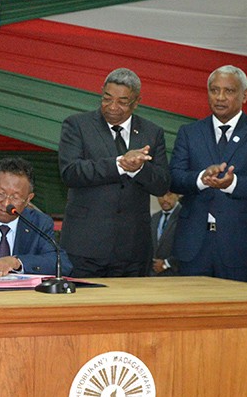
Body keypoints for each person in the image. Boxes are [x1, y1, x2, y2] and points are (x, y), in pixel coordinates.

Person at [168, 66, 247, 282]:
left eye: (229, 91)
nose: (220, 97)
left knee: (237, 314)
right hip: (193, 245)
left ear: (244, 95)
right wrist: (201, 179)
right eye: (214, 90)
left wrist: (233, 184)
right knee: (193, 312)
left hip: (239, 246)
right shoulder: (189, 132)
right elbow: (173, 179)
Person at [58, 68, 170, 278]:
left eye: (122, 102)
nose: (112, 107)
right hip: (85, 247)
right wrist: (119, 164)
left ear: (136, 102)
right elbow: (70, 172)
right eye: (107, 99)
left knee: (129, 309)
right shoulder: (77, 125)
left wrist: (140, 169)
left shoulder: (152, 133)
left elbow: (162, 184)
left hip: (133, 250)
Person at [150, 192, 181, 276]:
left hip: (176, 274)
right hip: (153, 274)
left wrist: (166, 264)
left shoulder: (184, 216)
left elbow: (187, 247)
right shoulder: (154, 217)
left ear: (178, 195)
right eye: (161, 195)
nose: (165, 199)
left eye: (169, 194)